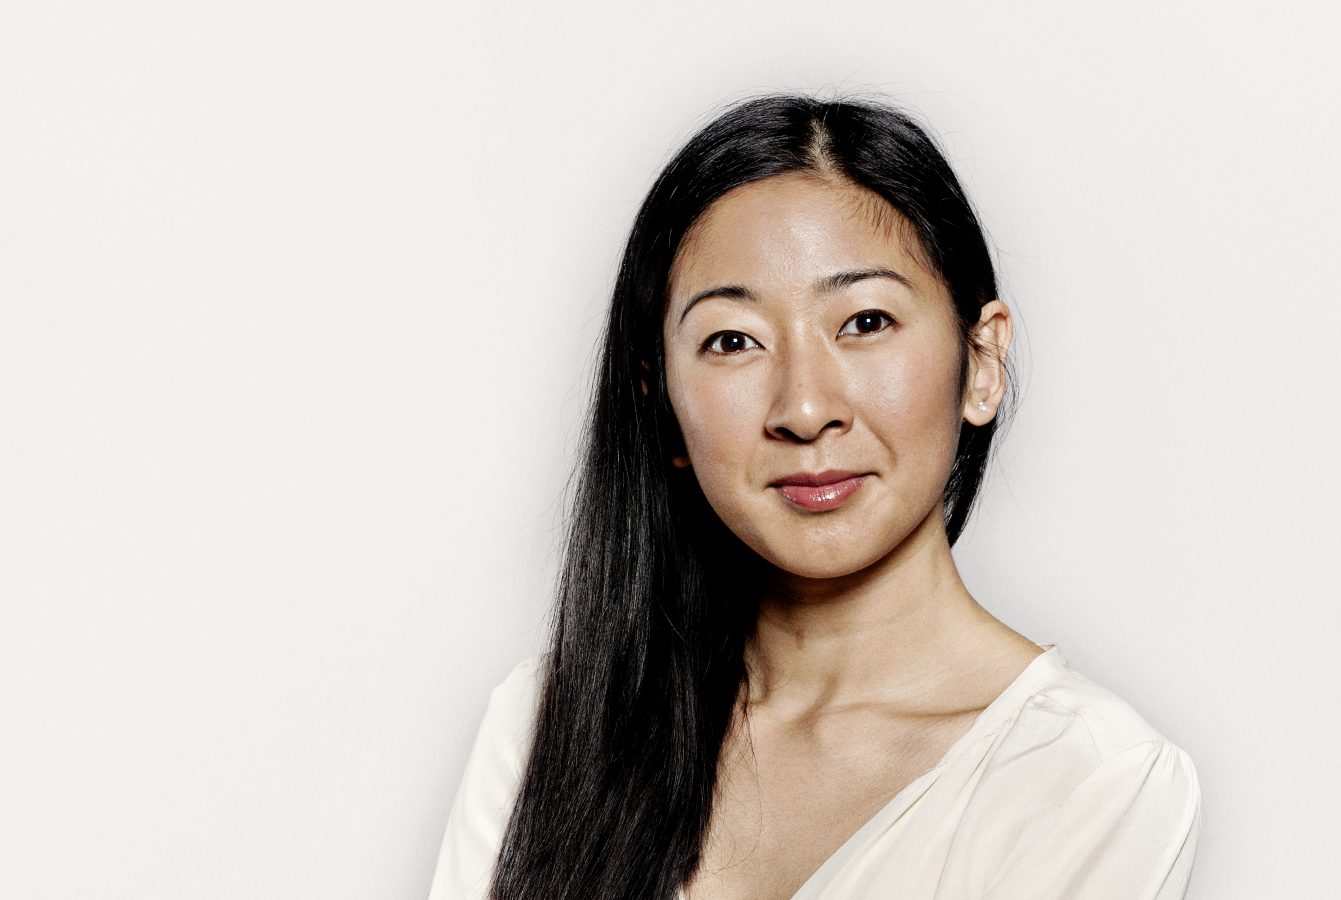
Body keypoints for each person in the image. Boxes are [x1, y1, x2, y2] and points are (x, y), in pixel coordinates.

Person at [427, 92, 1200, 900]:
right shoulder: (550, 728)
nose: (803, 408)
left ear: (982, 361)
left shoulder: (1088, 780)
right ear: (662, 403)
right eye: (734, 340)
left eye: (865, 323)